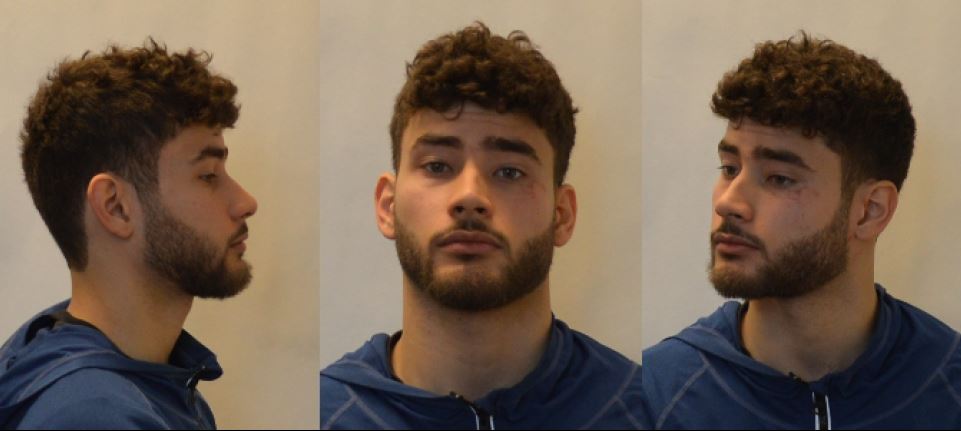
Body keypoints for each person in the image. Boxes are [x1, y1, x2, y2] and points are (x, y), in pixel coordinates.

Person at [320, 23, 646, 429]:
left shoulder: (644, 411)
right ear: (388, 206)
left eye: (509, 171)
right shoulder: (324, 414)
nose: (470, 196)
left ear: (561, 215)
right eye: (437, 166)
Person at [642, 32, 961, 429]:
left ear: (869, 211)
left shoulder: (948, 390)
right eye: (729, 168)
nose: (729, 203)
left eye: (779, 178)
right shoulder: (655, 400)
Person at [0, 40, 257, 429]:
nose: (245, 202)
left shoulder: (145, 379)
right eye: (207, 176)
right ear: (115, 206)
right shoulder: (92, 416)